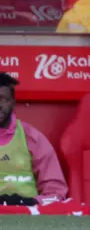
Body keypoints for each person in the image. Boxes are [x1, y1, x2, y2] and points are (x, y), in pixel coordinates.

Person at [0, 73, 68, 206]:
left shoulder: (32, 137)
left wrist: (29, 202)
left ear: (13, 102)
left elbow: (56, 191)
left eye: (2, 99)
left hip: (28, 214)